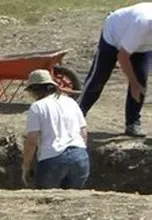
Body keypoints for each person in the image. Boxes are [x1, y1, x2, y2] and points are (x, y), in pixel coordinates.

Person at [78, 3, 152, 137]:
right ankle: (77, 115)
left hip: (142, 46)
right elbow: (122, 56)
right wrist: (133, 83)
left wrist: (136, 83)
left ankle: (133, 123)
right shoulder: (142, 23)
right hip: (114, 35)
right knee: (99, 78)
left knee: (141, 81)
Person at [22, 69, 90, 190]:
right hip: (80, 157)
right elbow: (83, 133)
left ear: (34, 90)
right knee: (72, 199)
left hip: (52, 158)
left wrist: (26, 166)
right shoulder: (71, 102)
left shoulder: (37, 107)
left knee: (46, 199)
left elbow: (32, 141)